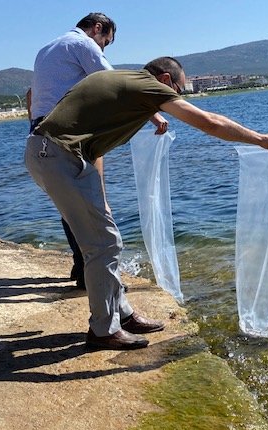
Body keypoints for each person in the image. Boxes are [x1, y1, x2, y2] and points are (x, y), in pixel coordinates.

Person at [24, 56, 268, 350]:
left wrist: (100, 195)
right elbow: (208, 122)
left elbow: (88, 137)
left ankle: (121, 315)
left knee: (106, 240)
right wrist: (260, 139)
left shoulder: (123, 83)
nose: (177, 97)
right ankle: (102, 331)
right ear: (165, 79)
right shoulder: (148, 86)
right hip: (57, 155)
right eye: (178, 90)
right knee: (102, 245)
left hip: (55, 153)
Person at [28, 12, 169, 290]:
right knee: (95, 206)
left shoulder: (46, 49)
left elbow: (32, 97)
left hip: (40, 135)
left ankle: (82, 267)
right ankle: (99, 278)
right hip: (70, 133)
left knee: (72, 206)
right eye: (106, 42)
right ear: (97, 29)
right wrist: (154, 115)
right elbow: (114, 83)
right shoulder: (83, 45)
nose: (103, 48)